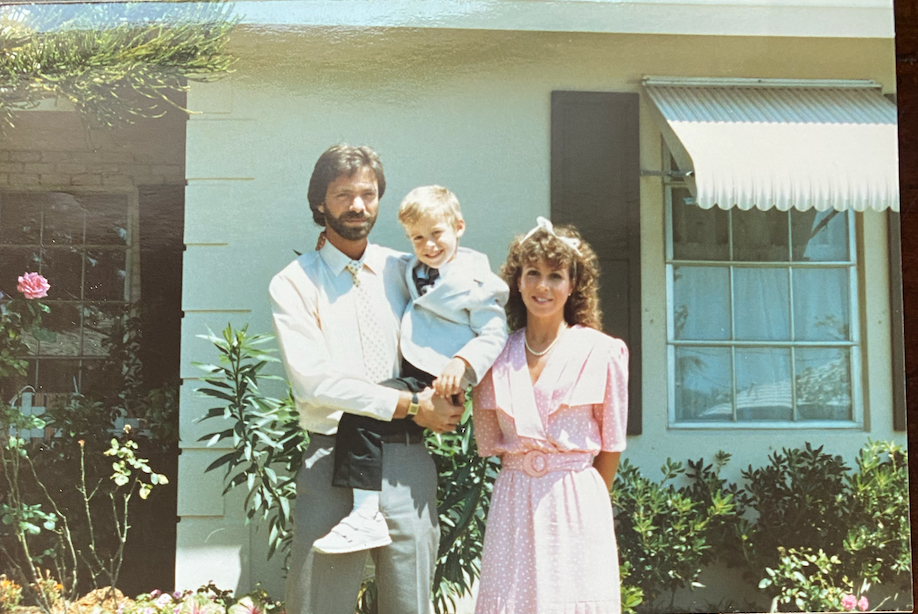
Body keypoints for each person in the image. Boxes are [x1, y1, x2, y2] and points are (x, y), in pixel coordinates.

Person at [269, 145, 464, 614]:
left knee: (410, 603)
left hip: (406, 459)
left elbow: (448, 338)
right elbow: (315, 382)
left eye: (368, 194)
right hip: (332, 458)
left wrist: (450, 394)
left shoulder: (407, 271)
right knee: (321, 604)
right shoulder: (294, 283)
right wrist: (415, 405)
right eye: (343, 195)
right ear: (320, 203)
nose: (357, 205)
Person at [313, 185, 509, 554]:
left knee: (363, 412)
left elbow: (495, 332)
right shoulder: (414, 268)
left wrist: (462, 363)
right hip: (417, 369)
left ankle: (365, 514)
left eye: (437, 234)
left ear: (459, 227)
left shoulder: (476, 280)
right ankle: (365, 513)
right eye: (418, 238)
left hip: (439, 376)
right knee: (365, 414)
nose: (429, 245)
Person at [472, 217, 629, 614]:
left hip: (575, 501)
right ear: (518, 282)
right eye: (533, 274)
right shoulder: (495, 356)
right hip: (514, 500)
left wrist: (583, 500)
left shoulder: (602, 352)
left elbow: (611, 446)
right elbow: (491, 441)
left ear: (573, 284)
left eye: (555, 276)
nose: (543, 286)